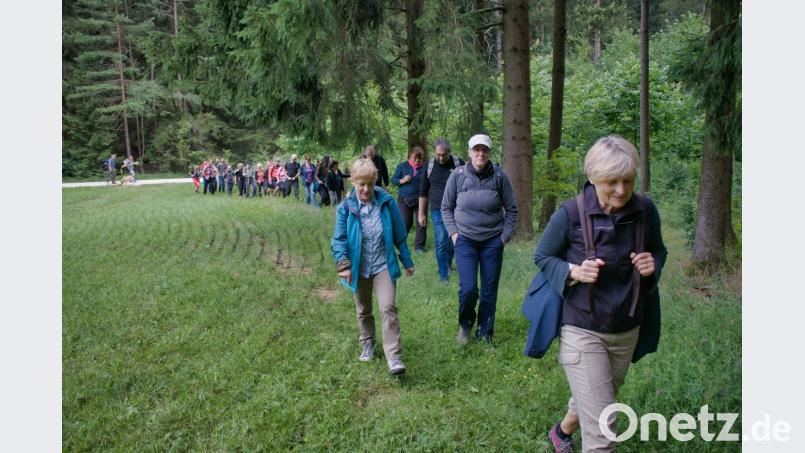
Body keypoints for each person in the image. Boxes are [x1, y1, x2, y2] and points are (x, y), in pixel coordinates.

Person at [535, 135, 667, 453]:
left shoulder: (645, 211)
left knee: (599, 396)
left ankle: (561, 432)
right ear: (593, 178)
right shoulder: (569, 214)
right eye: (612, 182)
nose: (621, 190)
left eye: (628, 180)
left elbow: (659, 251)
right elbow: (543, 256)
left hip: (626, 328)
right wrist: (573, 271)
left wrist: (653, 264)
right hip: (581, 327)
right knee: (604, 429)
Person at [331, 158, 415, 376]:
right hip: (358, 267)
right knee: (363, 309)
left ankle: (394, 356)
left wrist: (406, 260)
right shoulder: (345, 208)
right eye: (362, 184)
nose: (366, 189)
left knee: (388, 307)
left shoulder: (386, 203)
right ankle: (367, 341)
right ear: (353, 183)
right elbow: (339, 239)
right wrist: (343, 265)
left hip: (382, 265)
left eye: (370, 183)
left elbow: (399, 234)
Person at [441, 134, 518, 344]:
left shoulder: (500, 176)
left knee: (488, 291)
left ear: (489, 152)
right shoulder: (457, 176)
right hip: (465, 240)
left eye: (484, 150)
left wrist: (504, 237)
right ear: (469, 152)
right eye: (476, 149)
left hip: (493, 241)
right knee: (468, 289)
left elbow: (512, 209)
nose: (480, 153)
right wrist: (454, 234)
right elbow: (446, 207)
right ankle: (465, 325)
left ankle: (485, 333)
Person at [418, 138, 464, 283]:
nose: (441, 157)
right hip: (437, 209)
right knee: (441, 240)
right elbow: (423, 191)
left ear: (449, 152)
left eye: (443, 154)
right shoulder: (429, 165)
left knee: (453, 240)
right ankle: (443, 275)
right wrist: (421, 213)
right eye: (438, 154)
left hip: (457, 209)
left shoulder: (459, 164)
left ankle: (448, 262)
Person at [392, 146, 427, 253]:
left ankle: (419, 247)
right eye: (415, 158)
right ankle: (399, 243)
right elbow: (393, 180)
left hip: (420, 198)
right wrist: (402, 180)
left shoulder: (425, 168)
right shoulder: (402, 166)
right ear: (410, 156)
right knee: (405, 223)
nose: (417, 161)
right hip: (404, 198)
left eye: (419, 159)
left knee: (421, 222)